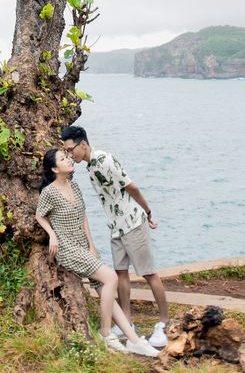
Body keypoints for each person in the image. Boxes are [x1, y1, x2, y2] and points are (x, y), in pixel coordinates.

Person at [35, 148, 159, 356]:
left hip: (83, 246)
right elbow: (40, 215)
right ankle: (105, 332)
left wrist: (91, 245)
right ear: (55, 168)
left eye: (67, 157)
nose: (68, 160)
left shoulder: (74, 186)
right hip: (67, 249)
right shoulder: (49, 192)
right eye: (63, 159)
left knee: (104, 288)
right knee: (111, 279)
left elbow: (83, 216)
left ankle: (134, 340)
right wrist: (52, 235)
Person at [60, 125, 168, 349]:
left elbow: (132, 187)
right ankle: (127, 321)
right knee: (120, 274)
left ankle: (164, 323)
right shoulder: (90, 167)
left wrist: (147, 212)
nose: (70, 155)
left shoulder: (104, 160)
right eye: (66, 152)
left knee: (148, 273)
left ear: (83, 145)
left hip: (132, 223)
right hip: (116, 227)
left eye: (71, 150)